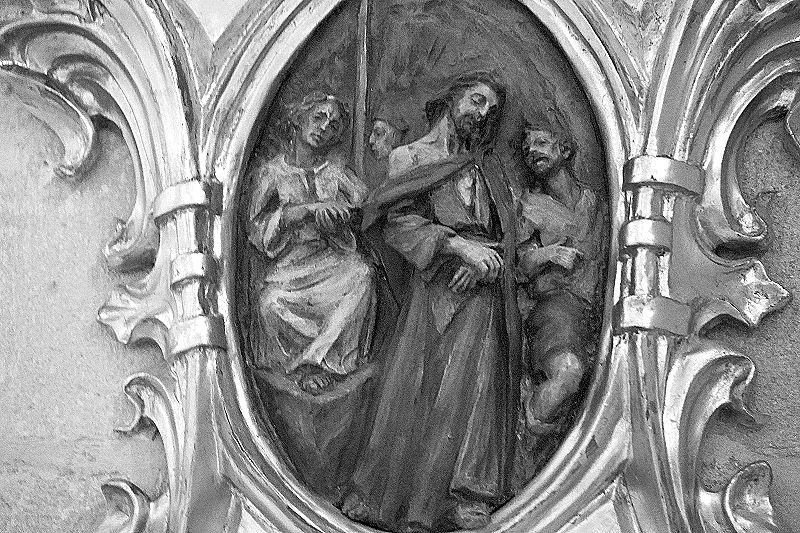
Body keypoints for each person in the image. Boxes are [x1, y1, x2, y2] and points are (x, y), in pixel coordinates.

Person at [342, 72, 522, 533]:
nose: (483, 114)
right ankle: (387, 496)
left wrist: (484, 261)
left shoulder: (485, 170)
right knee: (415, 386)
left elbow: (506, 237)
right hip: (432, 285)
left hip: (480, 291)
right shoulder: (410, 157)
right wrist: (457, 248)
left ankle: (466, 493)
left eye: (491, 110)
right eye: (476, 101)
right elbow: (394, 221)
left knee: (472, 384)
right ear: (451, 99)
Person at [247, 91, 376, 394]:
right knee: (270, 304)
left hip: (332, 262)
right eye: (319, 117)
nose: (324, 128)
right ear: (299, 118)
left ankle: (314, 361)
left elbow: (366, 207)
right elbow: (256, 230)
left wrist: (343, 216)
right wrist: (302, 212)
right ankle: (296, 363)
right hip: (290, 269)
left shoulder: (336, 173)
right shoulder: (272, 173)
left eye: (334, 126)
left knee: (362, 275)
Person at [515, 125, 604, 433]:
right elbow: (519, 265)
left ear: (564, 150)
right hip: (555, 310)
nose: (532, 152)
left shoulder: (592, 202)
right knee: (567, 373)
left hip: (593, 312)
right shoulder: (530, 206)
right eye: (527, 149)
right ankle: (529, 422)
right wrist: (549, 253)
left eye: (541, 143)